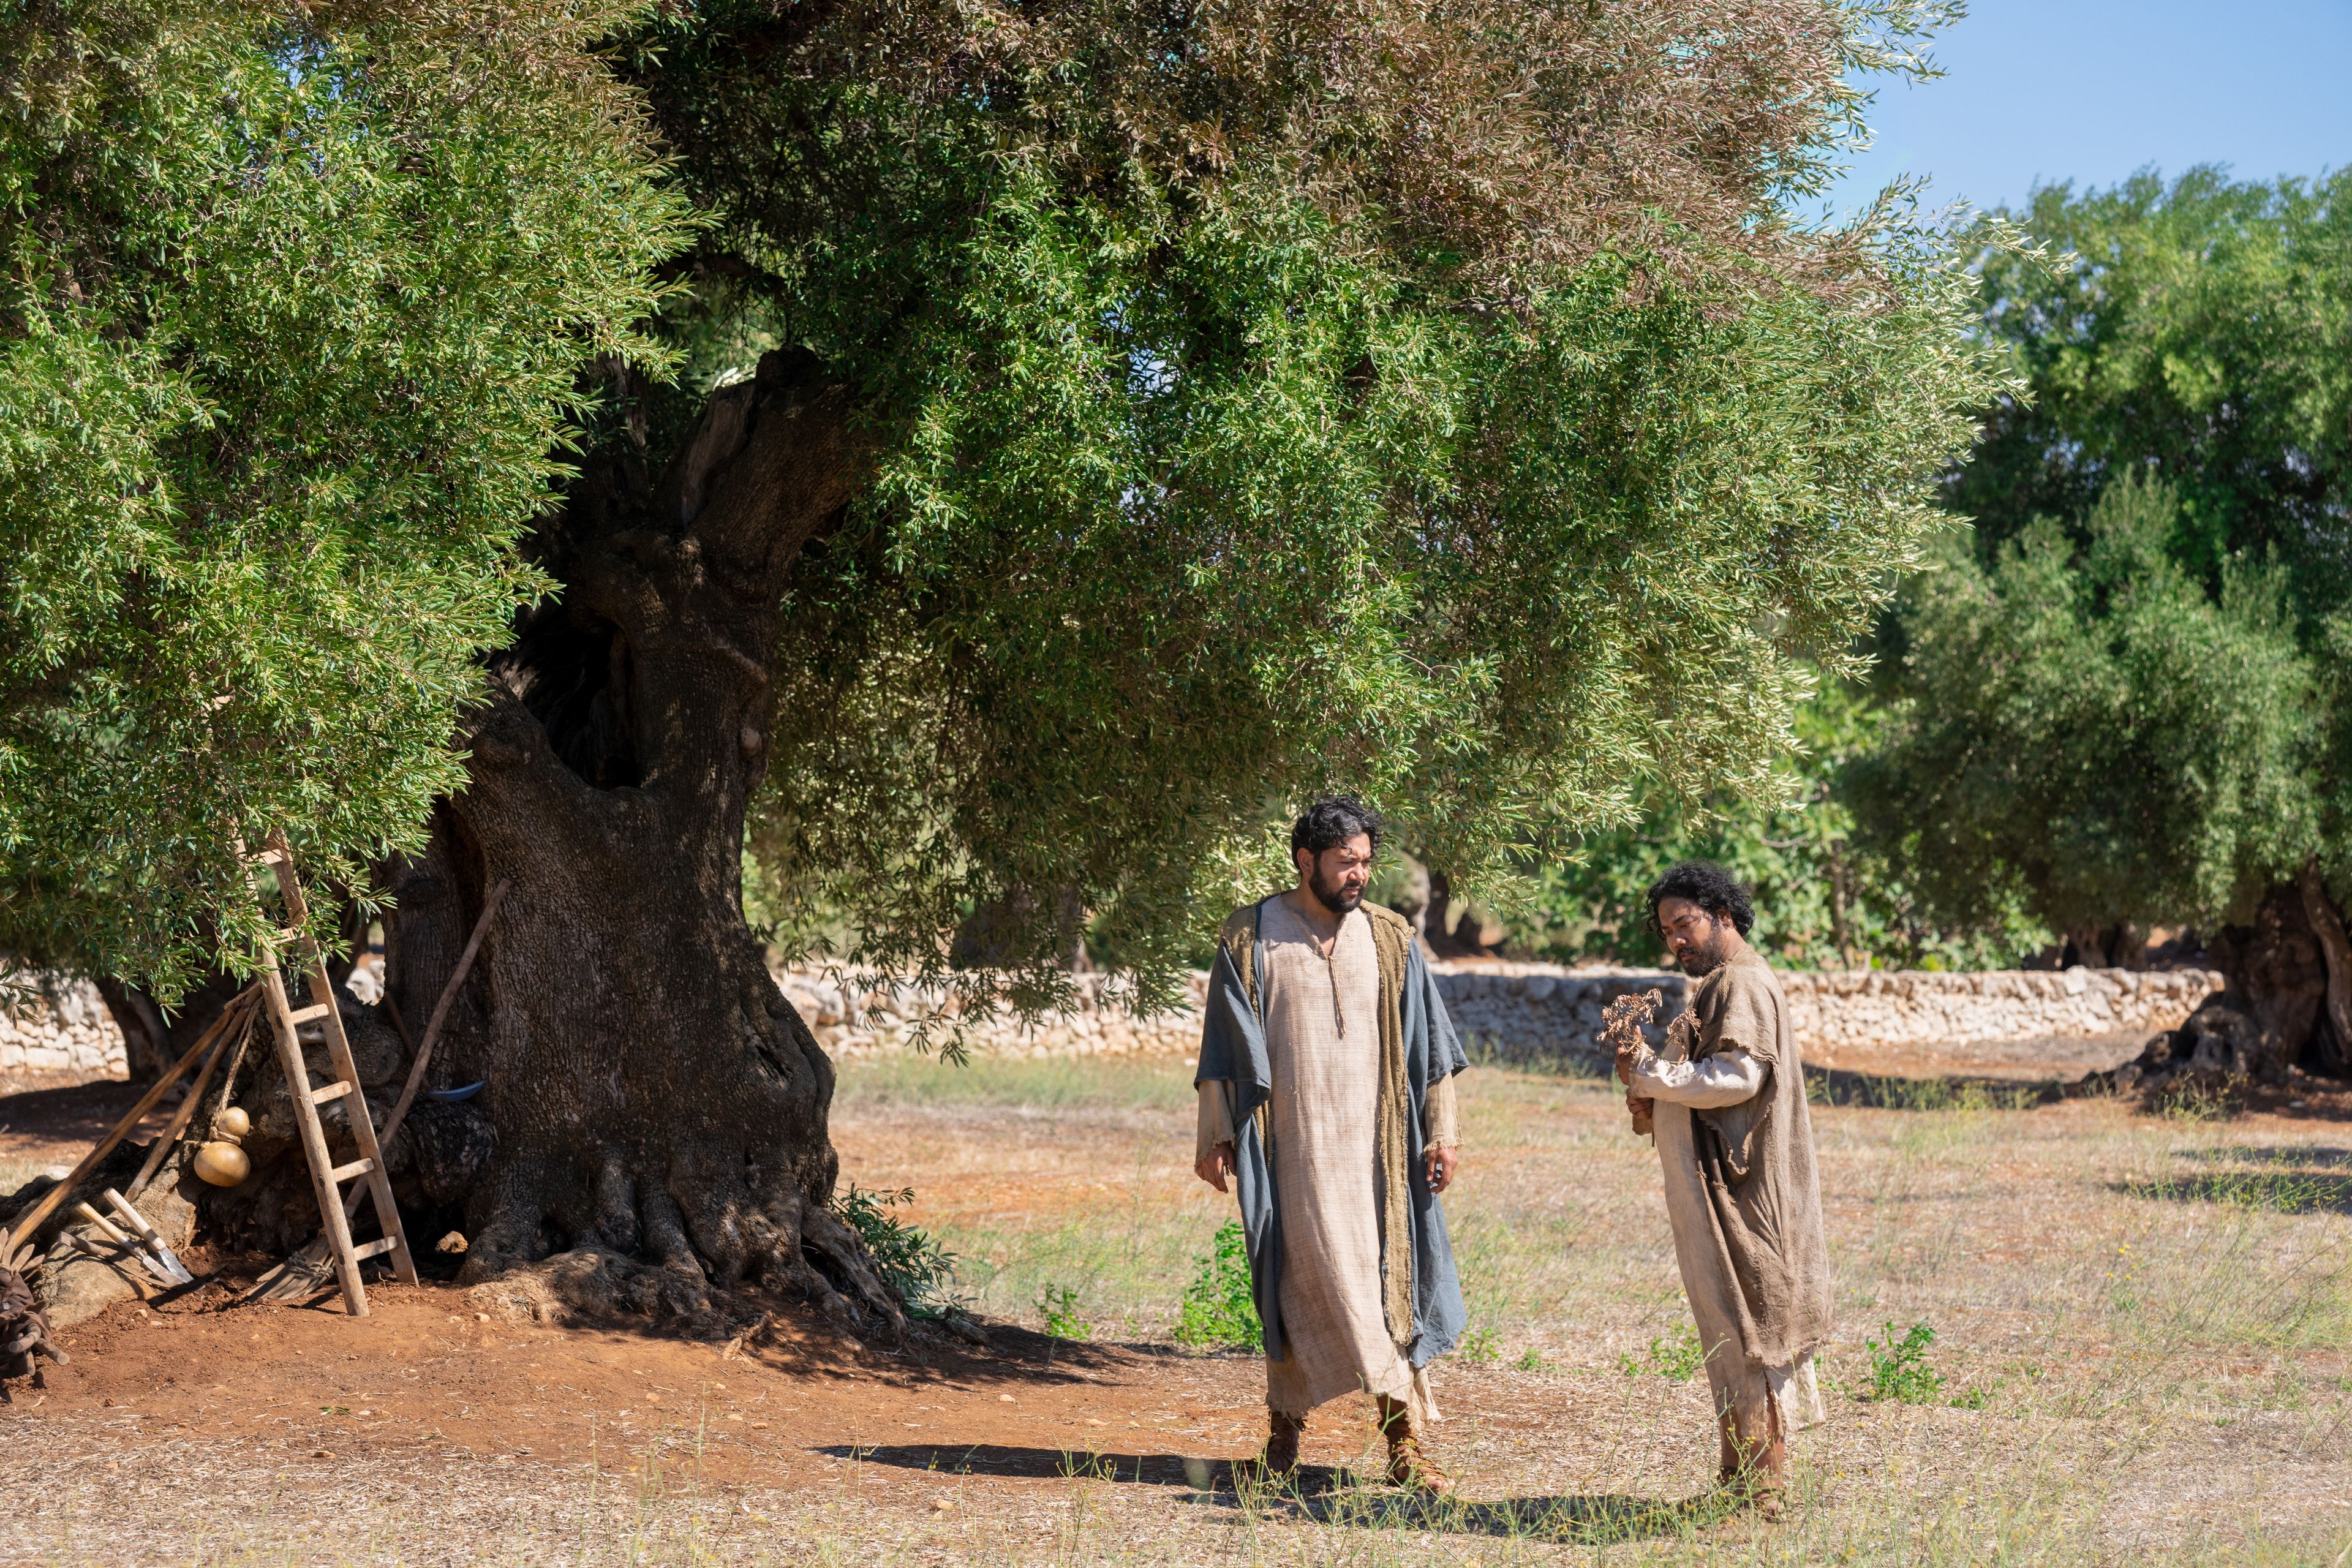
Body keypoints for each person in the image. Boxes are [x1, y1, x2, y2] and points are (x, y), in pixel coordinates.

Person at [1193, 795, 1469, 1491]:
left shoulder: (1389, 936)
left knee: (1386, 1289)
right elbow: (1222, 1050)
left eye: (1366, 863)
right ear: (1305, 859)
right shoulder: (1251, 936)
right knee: (1292, 1287)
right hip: (1292, 1152)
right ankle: (1284, 1435)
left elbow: (1430, 1049)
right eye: (1347, 862)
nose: (1359, 876)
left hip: (1379, 1153)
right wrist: (1216, 1134)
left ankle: (1402, 1442)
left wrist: (1444, 1131)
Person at [1616, 862, 1831, 1513]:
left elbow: (1738, 1078)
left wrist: (1650, 1074)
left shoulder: (1741, 982)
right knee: (1731, 1333)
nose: (1676, 940)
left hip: (1746, 1195)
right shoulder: (1719, 983)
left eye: (1685, 924)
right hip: (1717, 1195)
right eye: (1667, 931)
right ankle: (1735, 1483)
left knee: (1754, 1327)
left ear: (1723, 914)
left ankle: (1763, 1492)